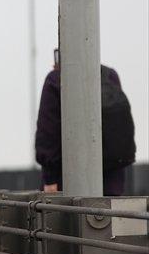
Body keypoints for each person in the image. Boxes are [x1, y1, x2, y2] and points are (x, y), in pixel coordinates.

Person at [35, 51, 136, 196]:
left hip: (68, 186)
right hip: (112, 186)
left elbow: (48, 133)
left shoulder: (56, 79)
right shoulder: (110, 76)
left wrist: (50, 180)